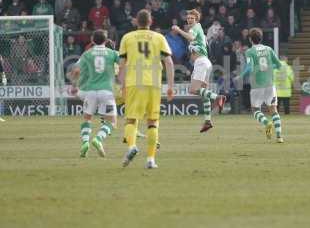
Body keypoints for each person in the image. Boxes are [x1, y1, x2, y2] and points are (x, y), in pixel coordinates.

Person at [118, 9, 174, 169]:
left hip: (134, 82)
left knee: (130, 119)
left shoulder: (127, 38)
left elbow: (121, 64)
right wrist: (170, 86)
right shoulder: (159, 38)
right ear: (151, 21)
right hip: (154, 84)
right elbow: (169, 62)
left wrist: (122, 85)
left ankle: (131, 147)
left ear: (136, 21)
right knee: (152, 122)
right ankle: (150, 159)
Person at [171, 9, 226, 132]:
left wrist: (179, 30)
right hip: (205, 62)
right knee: (203, 93)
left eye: (192, 18)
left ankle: (218, 97)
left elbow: (190, 37)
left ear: (196, 20)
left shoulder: (194, 28)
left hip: (201, 62)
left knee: (193, 89)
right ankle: (207, 121)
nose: (189, 19)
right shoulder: (199, 29)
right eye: (188, 18)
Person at [76, 30, 120, 158]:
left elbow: (76, 70)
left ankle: (85, 142)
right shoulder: (112, 53)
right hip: (106, 91)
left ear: (92, 40)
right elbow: (124, 63)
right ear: (106, 41)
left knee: (87, 118)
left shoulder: (87, 54)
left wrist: (76, 85)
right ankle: (98, 139)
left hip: (90, 90)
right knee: (112, 122)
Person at [235, 28, 283, 143]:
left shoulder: (250, 51)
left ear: (250, 39)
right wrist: (269, 68)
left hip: (257, 86)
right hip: (270, 84)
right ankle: (279, 136)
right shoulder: (269, 49)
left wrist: (240, 76)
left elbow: (250, 67)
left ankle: (267, 123)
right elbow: (279, 65)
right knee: (274, 110)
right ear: (261, 38)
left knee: (256, 110)